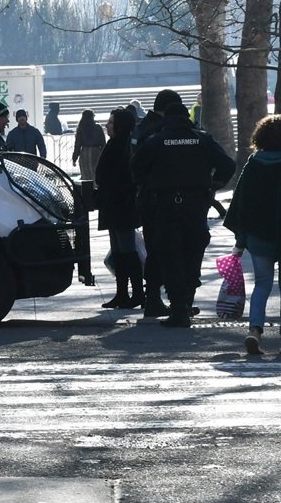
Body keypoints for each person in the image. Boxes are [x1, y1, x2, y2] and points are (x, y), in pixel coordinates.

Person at [131, 101, 236, 327]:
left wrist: (150, 185)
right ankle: (187, 303)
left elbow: (136, 169)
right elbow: (227, 164)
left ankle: (178, 309)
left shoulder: (156, 141)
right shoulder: (202, 139)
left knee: (170, 258)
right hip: (196, 205)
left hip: (165, 206)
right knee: (192, 254)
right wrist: (214, 185)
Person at [223, 115, 281, 354]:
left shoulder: (253, 164)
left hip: (259, 236)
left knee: (262, 284)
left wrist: (241, 240)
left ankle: (254, 330)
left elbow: (241, 203)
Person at [131, 89, 184, 316]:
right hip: (165, 196)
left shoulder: (141, 128)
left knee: (154, 249)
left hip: (146, 196)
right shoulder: (163, 131)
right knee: (171, 250)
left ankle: (152, 297)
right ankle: (172, 300)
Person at [94, 107, 142, 308]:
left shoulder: (124, 147)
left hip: (122, 206)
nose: (107, 126)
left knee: (127, 250)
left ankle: (136, 292)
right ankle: (122, 292)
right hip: (114, 205)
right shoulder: (115, 144)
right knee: (118, 251)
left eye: (111, 122)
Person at [71, 109, 106, 183]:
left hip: (85, 153)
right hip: (96, 152)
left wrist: (74, 158)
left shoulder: (81, 128)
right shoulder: (98, 127)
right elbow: (103, 142)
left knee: (86, 175)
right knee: (96, 173)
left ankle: (87, 191)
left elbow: (77, 145)